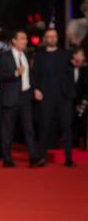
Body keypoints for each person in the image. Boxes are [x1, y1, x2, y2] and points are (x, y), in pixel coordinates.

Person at [33, 28, 76, 167]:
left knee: (67, 128)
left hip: (64, 97)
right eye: (49, 36)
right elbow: (34, 74)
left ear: (57, 38)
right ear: (45, 39)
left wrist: (70, 92)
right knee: (44, 127)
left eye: (54, 36)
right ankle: (42, 157)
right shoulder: (39, 55)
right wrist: (36, 89)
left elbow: (71, 75)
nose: (52, 38)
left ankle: (68, 158)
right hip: (46, 96)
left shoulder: (66, 54)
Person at [0, 30, 39, 167]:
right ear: (14, 41)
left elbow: (31, 76)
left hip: (26, 96)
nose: (25, 41)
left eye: (26, 38)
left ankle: (33, 158)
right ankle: (7, 159)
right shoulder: (4, 56)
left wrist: (34, 90)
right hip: (10, 97)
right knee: (8, 130)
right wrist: (16, 73)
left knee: (29, 128)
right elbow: (1, 76)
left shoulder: (28, 55)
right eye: (22, 38)